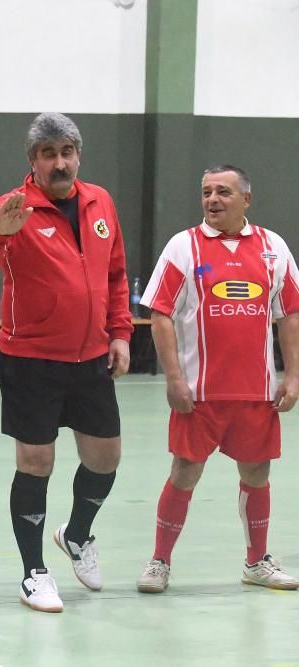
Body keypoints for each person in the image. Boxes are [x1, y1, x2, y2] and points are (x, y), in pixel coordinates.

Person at [0, 112, 132, 613]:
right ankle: (34, 573)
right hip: (31, 359)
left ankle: (76, 533)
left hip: (91, 357)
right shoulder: (12, 207)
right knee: (36, 462)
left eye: (67, 152)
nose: (59, 163)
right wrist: (0, 233)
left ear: (78, 154)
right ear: (33, 161)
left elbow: (117, 273)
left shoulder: (100, 200)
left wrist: (121, 333)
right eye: (48, 155)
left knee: (106, 458)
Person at [136, 165, 299, 594]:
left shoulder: (274, 247)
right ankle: (159, 561)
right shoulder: (182, 247)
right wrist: (174, 378)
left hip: (256, 392)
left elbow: (290, 315)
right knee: (185, 471)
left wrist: (293, 376)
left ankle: (256, 562)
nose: (212, 199)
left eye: (223, 192)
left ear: (246, 198)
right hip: (199, 393)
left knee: (258, 473)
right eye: (206, 191)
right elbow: (160, 314)